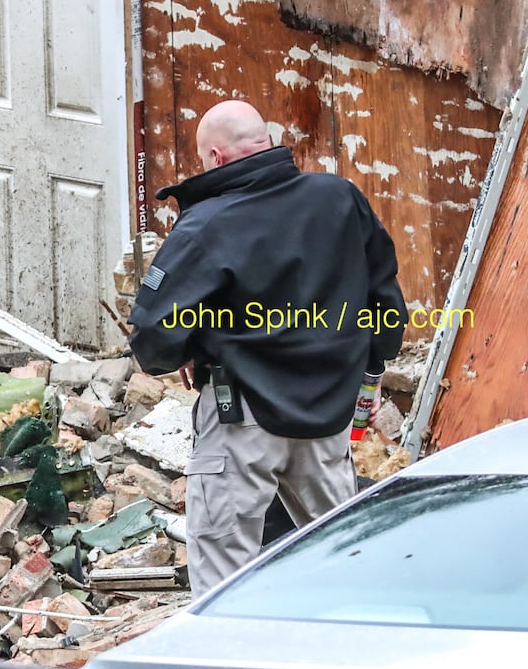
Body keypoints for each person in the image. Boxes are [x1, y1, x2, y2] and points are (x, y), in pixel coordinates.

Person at [127, 100, 405, 597]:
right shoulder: (340, 198)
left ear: (215, 158)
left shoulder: (207, 224)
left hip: (243, 418)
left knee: (223, 583)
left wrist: (192, 344)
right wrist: (372, 368)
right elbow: (383, 293)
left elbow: (152, 335)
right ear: (265, 141)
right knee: (346, 564)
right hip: (329, 416)